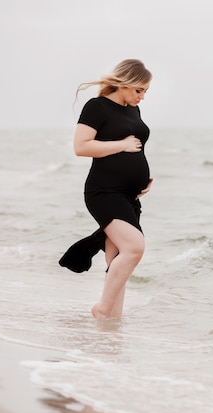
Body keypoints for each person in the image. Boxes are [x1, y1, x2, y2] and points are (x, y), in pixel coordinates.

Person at [59, 59, 153, 319]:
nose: (142, 96)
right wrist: (121, 145)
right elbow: (82, 147)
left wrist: (142, 181)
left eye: (146, 91)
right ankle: (102, 309)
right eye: (139, 90)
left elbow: (136, 149)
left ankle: (112, 320)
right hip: (104, 192)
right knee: (134, 247)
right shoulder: (97, 107)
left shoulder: (133, 111)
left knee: (119, 258)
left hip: (128, 195)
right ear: (124, 83)